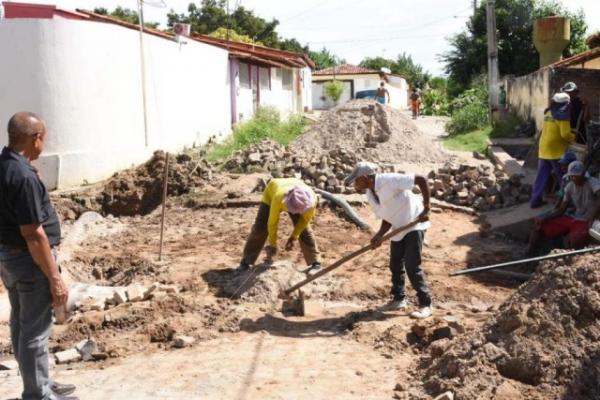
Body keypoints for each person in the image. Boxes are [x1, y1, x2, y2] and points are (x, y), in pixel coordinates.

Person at [0, 112, 77, 400]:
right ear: (36, 138)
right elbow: (34, 234)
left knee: (22, 325)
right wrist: (54, 278)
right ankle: (38, 394)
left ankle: (40, 383)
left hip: (9, 258)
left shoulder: (7, 166)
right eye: (43, 138)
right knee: (34, 331)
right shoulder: (21, 176)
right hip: (29, 261)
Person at [345, 162, 433, 319]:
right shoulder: (370, 194)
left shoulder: (389, 180)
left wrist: (426, 207)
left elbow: (421, 179)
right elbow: (387, 216)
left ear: (366, 178)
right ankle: (399, 299)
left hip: (414, 222)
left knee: (412, 265)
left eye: (356, 181)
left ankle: (426, 304)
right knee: (395, 264)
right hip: (398, 227)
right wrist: (379, 235)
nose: (354, 185)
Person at [239, 178, 322, 274]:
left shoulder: (311, 202)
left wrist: (294, 236)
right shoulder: (279, 198)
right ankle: (246, 262)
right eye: (293, 209)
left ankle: (315, 263)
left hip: (295, 188)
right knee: (260, 228)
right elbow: (272, 223)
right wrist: (273, 244)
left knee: (305, 230)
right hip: (271, 193)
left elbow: (304, 221)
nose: (295, 212)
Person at [528, 161, 600, 254]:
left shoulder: (592, 182)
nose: (574, 178)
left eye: (576, 175)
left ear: (583, 174)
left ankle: (569, 261)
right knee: (538, 226)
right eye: (572, 176)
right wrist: (545, 218)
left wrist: (593, 218)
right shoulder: (570, 186)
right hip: (574, 217)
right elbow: (562, 209)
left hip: (586, 221)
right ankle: (530, 252)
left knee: (573, 240)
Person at [530, 92, 575, 208]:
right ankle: (565, 203)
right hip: (556, 151)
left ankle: (535, 200)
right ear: (566, 103)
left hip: (544, 149)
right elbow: (565, 134)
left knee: (541, 176)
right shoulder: (563, 115)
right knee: (563, 178)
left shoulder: (549, 112)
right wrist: (573, 137)